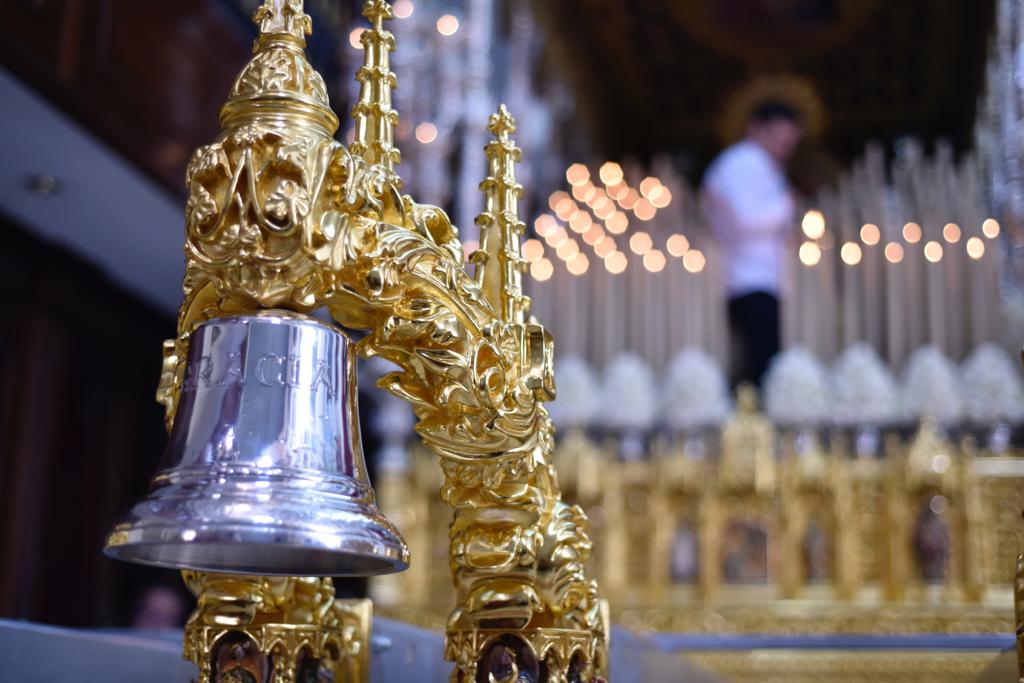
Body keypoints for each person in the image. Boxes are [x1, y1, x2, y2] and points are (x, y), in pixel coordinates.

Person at [702, 99, 803, 386]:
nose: (784, 148)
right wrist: (787, 205)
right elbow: (746, 220)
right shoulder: (741, 162)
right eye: (778, 138)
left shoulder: (763, 167)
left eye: (789, 143)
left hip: (763, 278)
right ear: (756, 129)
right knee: (760, 366)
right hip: (747, 279)